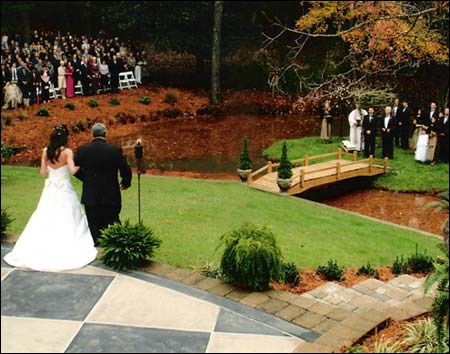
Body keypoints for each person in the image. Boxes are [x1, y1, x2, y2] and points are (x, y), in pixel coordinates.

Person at [3, 125, 98, 271]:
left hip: (51, 188)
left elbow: (42, 172)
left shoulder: (46, 151)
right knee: (68, 214)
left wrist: (51, 169)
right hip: (64, 188)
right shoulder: (67, 152)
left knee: (45, 213)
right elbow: (73, 171)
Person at [74, 123, 132, 246]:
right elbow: (125, 168)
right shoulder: (114, 150)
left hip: (91, 193)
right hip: (110, 192)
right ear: (105, 133)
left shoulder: (83, 150)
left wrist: (86, 179)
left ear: (92, 134)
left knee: (93, 221)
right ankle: (114, 244)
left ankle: (96, 243)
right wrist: (125, 181)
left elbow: (74, 168)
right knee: (112, 218)